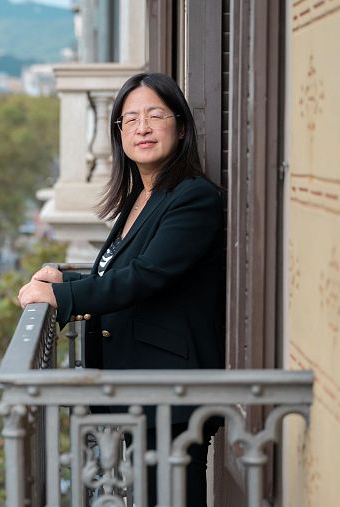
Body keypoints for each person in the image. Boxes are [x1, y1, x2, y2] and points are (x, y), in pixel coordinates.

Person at [17, 72, 225, 506]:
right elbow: (120, 270)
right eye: (129, 120)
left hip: (171, 391)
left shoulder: (194, 198)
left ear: (181, 126)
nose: (141, 128)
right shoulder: (142, 196)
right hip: (142, 388)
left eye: (154, 115)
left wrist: (65, 299)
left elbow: (148, 275)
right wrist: (68, 279)